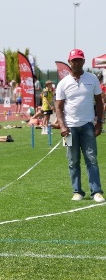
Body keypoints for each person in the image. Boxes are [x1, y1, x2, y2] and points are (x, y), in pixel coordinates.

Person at [55, 48, 104, 203]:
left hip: (88, 125)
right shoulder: (63, 83)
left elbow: (99, 102)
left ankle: (96, 191)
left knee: (92, 159)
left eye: (79, 59)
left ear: (83, 61)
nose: (76, 62)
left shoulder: (92, 79)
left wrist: (99, 122)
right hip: (69, 129)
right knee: (73, 160)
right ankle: (77, 191)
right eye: (73, 60)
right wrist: (62, 126)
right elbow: (58, 107)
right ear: (69, 62)